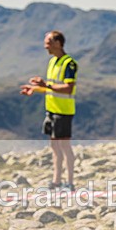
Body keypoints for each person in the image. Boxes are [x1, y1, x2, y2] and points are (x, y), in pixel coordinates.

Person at [20, 30, 78, 191]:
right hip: (51, 110)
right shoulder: (52, 62)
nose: (46, 46)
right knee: (55, 147)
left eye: (49, 43)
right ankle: (56, 182)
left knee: (65, 147)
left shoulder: (69, 63)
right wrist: (34, 89)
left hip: (63, 111)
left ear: (58, 43)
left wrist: (45, 86)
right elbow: (50, 87)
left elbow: (68, 88)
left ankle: (70, 183)